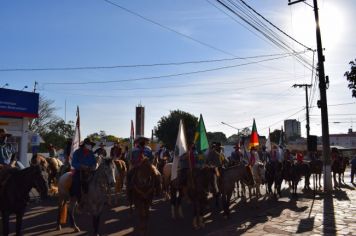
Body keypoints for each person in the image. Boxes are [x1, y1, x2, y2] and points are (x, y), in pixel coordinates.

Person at [70, 138, 97, 208]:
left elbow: (94, 162)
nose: (90, 146)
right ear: (84, 145)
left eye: (90, 145)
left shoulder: (91, 153)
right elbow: (73, 163)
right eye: (89, 144)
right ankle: (77, 199)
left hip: (90, 171)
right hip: (80, 171)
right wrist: (81, 166)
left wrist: (94, 166)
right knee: (76, 183)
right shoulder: (77, 152)